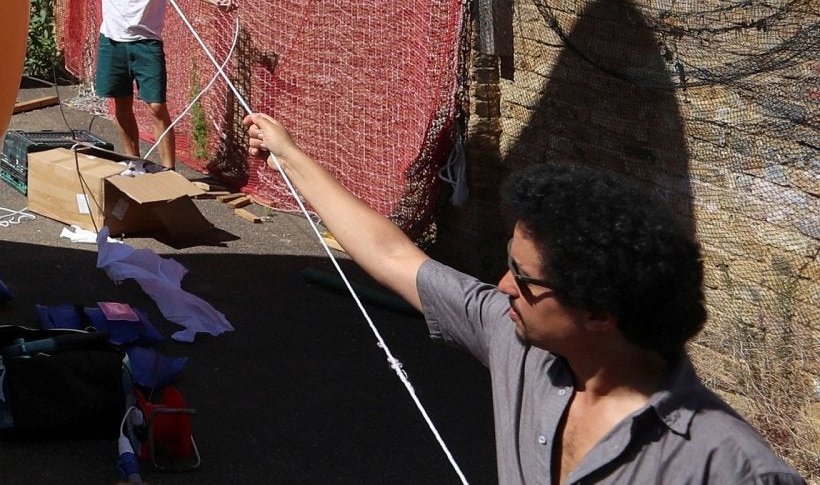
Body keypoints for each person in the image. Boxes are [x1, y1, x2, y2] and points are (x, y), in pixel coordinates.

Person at [244, 114, 801, 484]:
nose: (502, 287)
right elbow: (395, 257)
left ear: (600, 313)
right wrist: (289, 157)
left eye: (524, 279)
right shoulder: (520, 339)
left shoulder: (728, 467)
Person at [44, 0, 234, 172]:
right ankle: (134, 163)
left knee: (156, 107)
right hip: (113, 41)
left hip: (147, 43)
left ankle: (169, 170)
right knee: (122, 106)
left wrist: (217, 1)